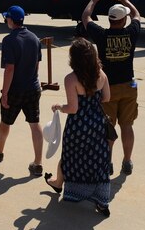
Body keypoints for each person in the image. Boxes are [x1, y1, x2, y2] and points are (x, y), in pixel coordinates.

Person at [46, 37, 111, 217]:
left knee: (70, 157)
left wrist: (59, 107)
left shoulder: (71, 79)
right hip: (97, 124)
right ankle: (101, 199)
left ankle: (60, 184)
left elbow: (73, 108)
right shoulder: (101, 74)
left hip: (78, 126)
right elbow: (106, 98)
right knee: (97, 159)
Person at [82, 0, 140, 175]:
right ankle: (127, 161)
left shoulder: (102, 35)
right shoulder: (131, 32)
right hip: (128, 86)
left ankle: (107, 162)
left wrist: (94, 0)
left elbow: (86, 17)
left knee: (108, 127)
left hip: (107, 88)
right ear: (123, 20)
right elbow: (137, 15)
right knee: (127, 126)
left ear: (110, 19)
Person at [0, 5, 44, 177]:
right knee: (35, 124)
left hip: (16, 90)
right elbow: (37, 63)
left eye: (7, 18)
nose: (6, 21)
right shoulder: (34, 38)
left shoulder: (9, 40)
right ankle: (38, 163)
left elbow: (10, 68)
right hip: (33, 87)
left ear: (11, 19)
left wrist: (5, 93)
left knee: (5, 122)